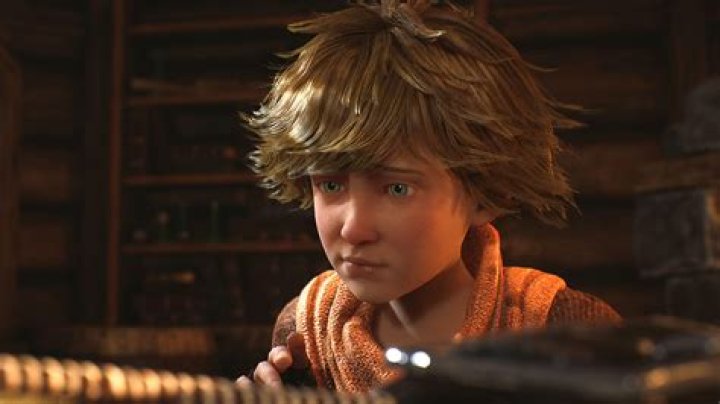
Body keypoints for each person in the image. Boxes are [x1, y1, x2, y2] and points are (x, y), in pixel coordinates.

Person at [236, 0, 621, 393]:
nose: (354, 229)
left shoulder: (563, 326)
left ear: (485, 193)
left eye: (397, 189)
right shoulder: (308, 331)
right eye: (331, 185)